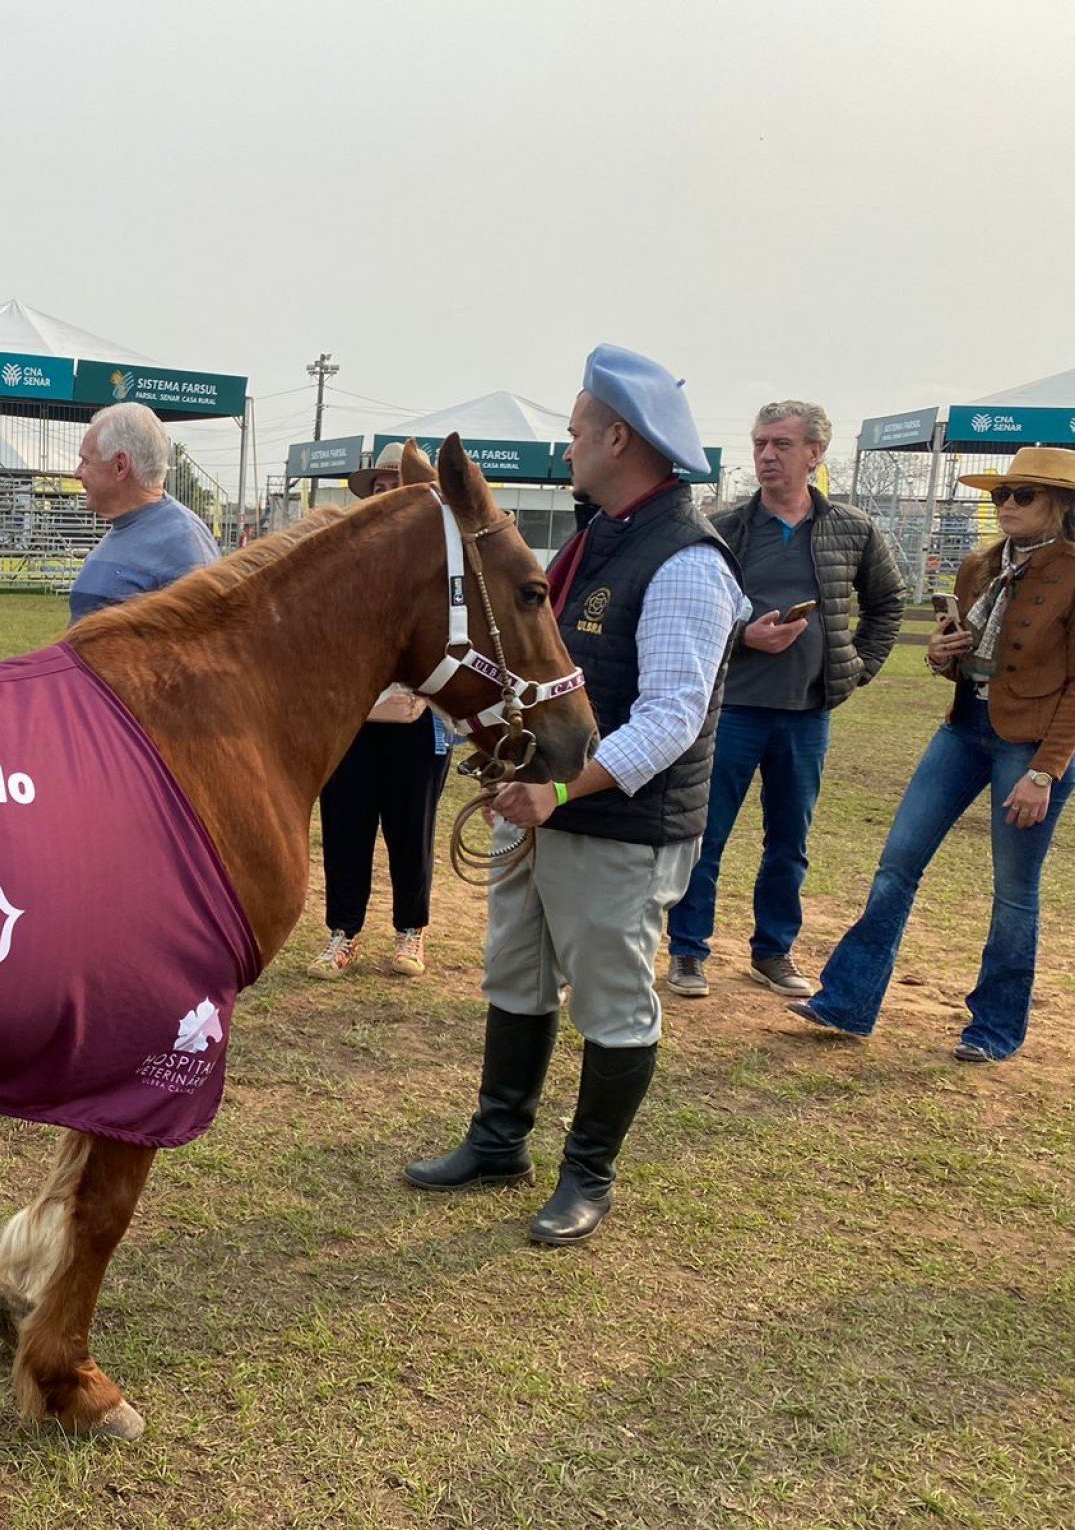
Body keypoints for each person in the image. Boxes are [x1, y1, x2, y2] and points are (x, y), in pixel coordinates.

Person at [404, 344, 743, 1245]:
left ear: (619, 437)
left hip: (619, 824)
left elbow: (671, 718)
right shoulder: (600, 537)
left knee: (612, 1001)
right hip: (547, 806)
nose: (567, 447)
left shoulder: (686, 561)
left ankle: (589, 1173)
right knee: (517, 974)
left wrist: (556, 790)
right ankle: (499, 1140)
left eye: (577, 430)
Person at [791, 446, 1075, 1062]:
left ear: (1060, 505)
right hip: (962, 727)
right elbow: (960, 658)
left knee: (1013, 891)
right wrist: (943, 655)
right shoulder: (980, 562)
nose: (1005, 506)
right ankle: (847, 1001)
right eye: (1000, 495)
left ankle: (993, 1030)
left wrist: (1044, 771)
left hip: (1029, 747)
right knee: (897, 863)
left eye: (1022, 496)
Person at [665, 402, 905, 998]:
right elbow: (689, 612)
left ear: (815, 453)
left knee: (789, 844)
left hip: (806, 715)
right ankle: (688, 951)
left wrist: (856, 669)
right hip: (732, 710)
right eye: (760, 444)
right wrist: (743, 636)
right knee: (705, 834)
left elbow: (889, 602)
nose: (767, 456)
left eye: (781, 445)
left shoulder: (852, 528)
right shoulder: (723, 527)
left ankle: (773, 952)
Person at [307, 443, 457, 979]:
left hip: (418, 723)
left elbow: (457, 642)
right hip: (351, 722)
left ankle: (410, 932)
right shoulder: (341, 563)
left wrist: (427, 694)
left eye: (399, 482)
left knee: (410, 828)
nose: (388, 491)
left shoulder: (442, 565)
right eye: (380, 484)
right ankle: (342, 934)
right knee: (345, 826)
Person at [68, 401, 221, 622]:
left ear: (121, 466)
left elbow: (205, 644)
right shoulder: (125, 527)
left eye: (86, 461)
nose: (77, 473)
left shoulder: (184, 541)